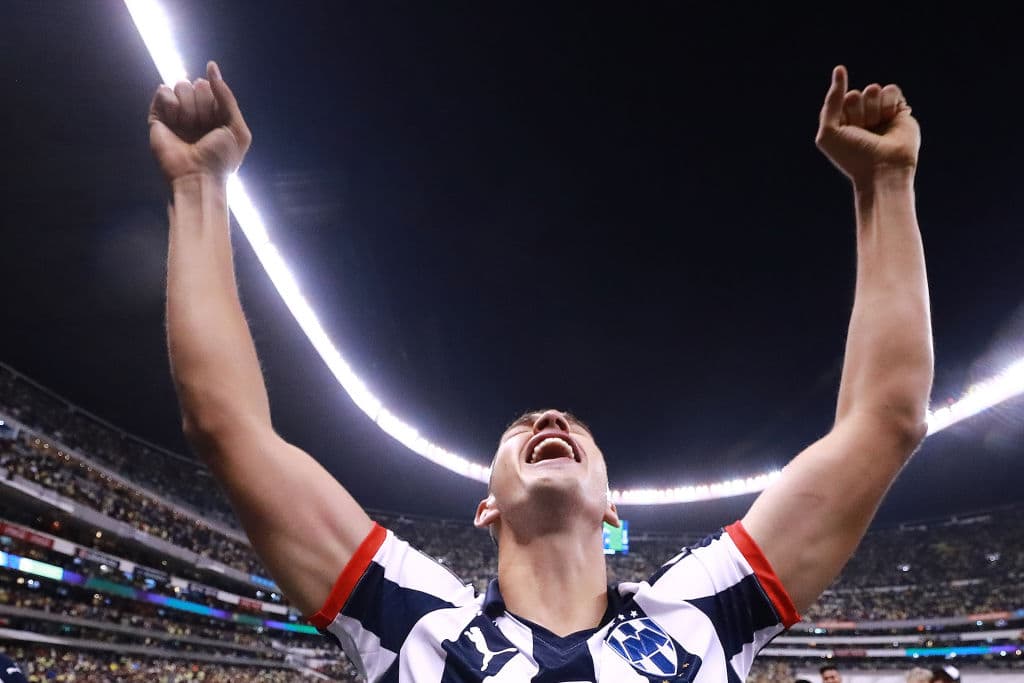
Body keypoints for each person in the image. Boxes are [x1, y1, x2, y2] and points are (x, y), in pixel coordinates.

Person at [148, 61, 932, 681]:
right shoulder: (411, 616)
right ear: (486, 507)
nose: (550, 420)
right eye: (524, 426)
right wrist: (196, 186)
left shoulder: (703, 611)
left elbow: (886, 421)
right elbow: (227, 426)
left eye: (572, 430)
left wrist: (886, 185)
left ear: (611, 507)